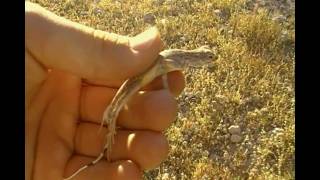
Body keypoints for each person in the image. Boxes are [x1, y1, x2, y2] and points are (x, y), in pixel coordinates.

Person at [26, 2, 185, 180]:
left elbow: (165, 68)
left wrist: (163, 82)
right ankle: (107, 142)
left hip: (142, 77)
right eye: (209, 58)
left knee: (127, 109)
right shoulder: (180, 60)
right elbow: (164, 66)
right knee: (118, 106)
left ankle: (105, 145)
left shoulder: (182, 60)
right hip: (137, 79)